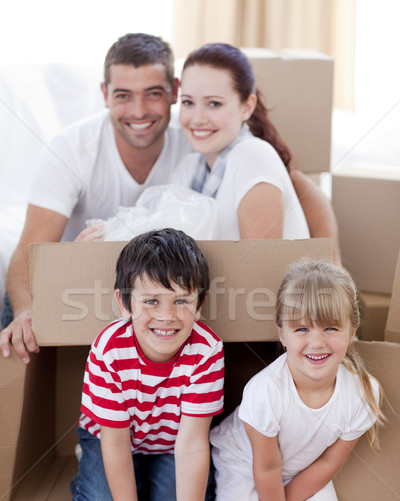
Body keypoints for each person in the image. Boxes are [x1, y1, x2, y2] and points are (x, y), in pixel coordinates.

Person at [0, 33, 340, 363]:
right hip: (100, 286)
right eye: (123, 95)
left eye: (153, 93)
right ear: (104, 94)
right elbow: (30, 250)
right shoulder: (179, 158)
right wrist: (38, 302)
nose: (139, 111)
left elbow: (303, 195)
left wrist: (334, 273)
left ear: (172, 93)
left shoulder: (209, 140)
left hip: (205, 303)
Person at [208, 260, 385, 501]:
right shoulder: (266, 391)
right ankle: (224, 497)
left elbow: (329, 462)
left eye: (331, 328)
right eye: (302, 328)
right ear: (282, 333)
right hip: (246, 462)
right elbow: (265, 469)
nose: (316, 342)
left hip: (299, 468)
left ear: (352, 331)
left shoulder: (362, 392)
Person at [71, 228, 231, 501]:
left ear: (199, 304)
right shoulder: (108, 350)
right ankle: (98, 473)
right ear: (124, 303)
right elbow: (114, 443)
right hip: (112, 439)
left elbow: (192, 443)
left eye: (182, 301)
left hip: (172, 444)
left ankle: (144, 487)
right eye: (151, 301)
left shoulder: (207, 350)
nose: (166, 316)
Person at [171, 43, 309, 241]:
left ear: (247, 106)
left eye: (214, 104)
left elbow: (262, 267)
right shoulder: (188, 169)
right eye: (188, 102)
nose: (197, 118)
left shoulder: (252, 156)